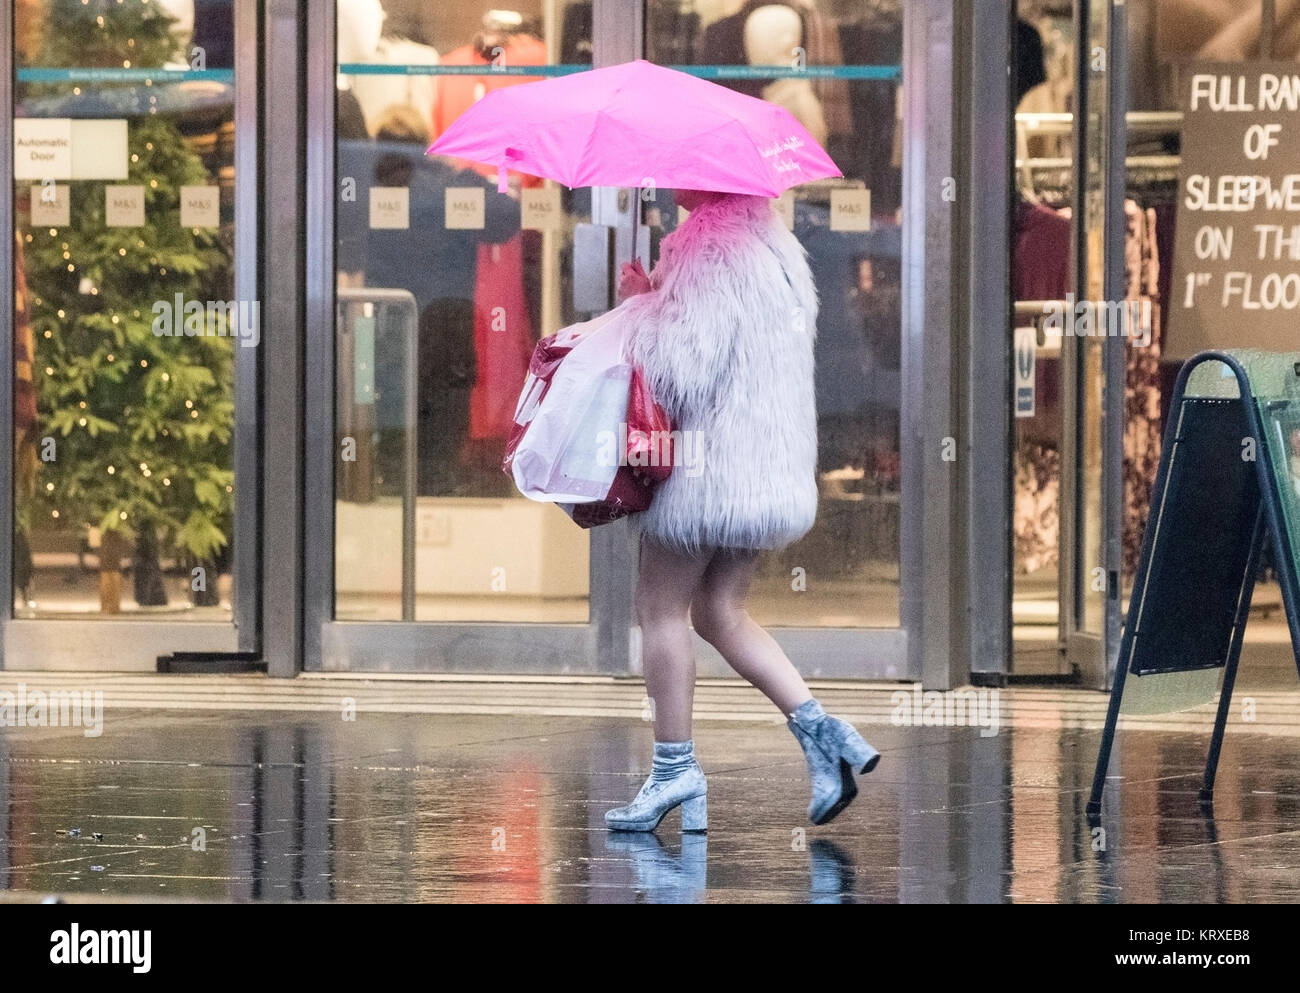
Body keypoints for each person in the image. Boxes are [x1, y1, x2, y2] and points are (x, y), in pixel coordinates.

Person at [604, 189, 880, 833]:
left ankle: (675, 772)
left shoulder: (708, 246)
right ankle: (824, 734)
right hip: (761, 467)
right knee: (719, 610)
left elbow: (682, 369)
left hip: (707, 468)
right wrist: (661, 292)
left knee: (660, 608)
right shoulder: (778, 247)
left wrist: (640, 306)